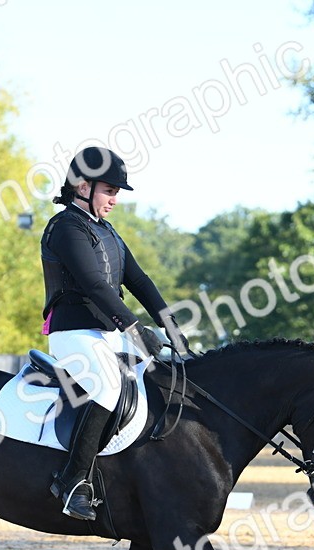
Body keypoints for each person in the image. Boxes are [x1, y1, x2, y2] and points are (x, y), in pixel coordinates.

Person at [40, 146, 188, 520]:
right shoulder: (64, 227)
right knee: (108, 388)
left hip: (108, 333)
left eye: (117, 192)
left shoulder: (106, 230)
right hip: (74, 331)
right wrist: (138, 331)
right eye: (109, 190)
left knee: (161, 380)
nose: (115, 200)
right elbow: (94, 285)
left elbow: (138, 280)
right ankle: (72, 481)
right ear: (82, 186)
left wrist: (171, 327)